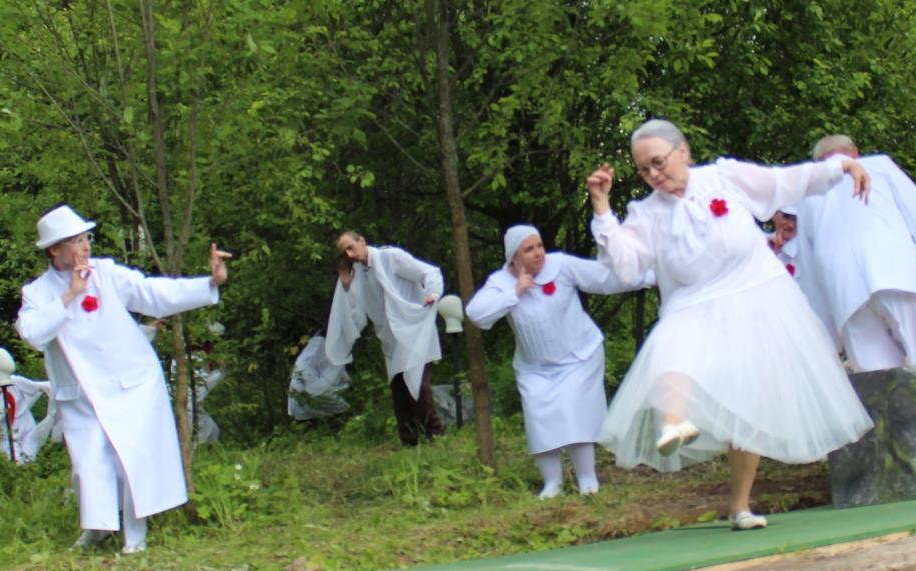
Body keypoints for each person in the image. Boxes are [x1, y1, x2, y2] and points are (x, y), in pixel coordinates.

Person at [585, 119, 874, 530]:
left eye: (658, 162)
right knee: (669, 354)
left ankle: (740, 507)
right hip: (691, 304)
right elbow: (627, 267)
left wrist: (840, 167)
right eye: (643, 169)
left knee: (747, 403)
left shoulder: (725, 177)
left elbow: (784, 181)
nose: (653, 174)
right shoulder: (645, 213)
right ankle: (674, 422)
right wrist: (601, 207)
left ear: (683, 150)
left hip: (755, 294)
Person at [16, 204, 231, 553]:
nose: (85, 246)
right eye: (75, 241)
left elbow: (152, 294)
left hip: (130, 382)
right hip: (81, 393)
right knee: (88, 463)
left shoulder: (107, 273)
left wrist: (208, 284)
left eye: (86, 238)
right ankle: (97, 527)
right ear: (55, 250)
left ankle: (135, 537)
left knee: (132, 455)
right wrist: (69, 294)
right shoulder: (38, 293)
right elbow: (33, 334)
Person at [466, 225, 650, 498]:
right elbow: (477, 314)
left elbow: (604, 279)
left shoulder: (561, 265)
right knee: (540, 417)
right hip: (535, 367)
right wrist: (514, 292)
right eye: (529, 249)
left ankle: (587, 478)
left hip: (579, 356)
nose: (539, 253)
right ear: (514, 258)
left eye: (539, 245)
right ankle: (552, 482)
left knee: (575, 412)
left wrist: (650, 275)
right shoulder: (500, 282)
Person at [791, 135, 916, 372]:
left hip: (846, 297)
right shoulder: (879, 166)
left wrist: (828, 337)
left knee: (880, 386)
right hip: (898, 277)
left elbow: (809, 270)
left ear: (819, 164)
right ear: (854, 153)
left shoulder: (807, 194)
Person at [325, 231, 445, 445]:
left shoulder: (391, 258)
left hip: (413, 330)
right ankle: (409, 441)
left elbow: (428, 272)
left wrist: (433, 294)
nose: (349, 253)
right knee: (399, 390)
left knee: (419, 384)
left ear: (361, 241)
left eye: (350, 246)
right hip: (390, 338)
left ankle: (435, 435)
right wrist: (346, 285)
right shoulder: (359, 273)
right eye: (344, 252)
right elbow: (356, 311)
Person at [0, 349, 54, 464]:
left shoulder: (14, 381)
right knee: (13, 464)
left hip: (27, 429)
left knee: (28, 462)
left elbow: (38, 387)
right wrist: (2, 395)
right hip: (6, 435)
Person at [768, 208, 800, 281]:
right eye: (786, 216)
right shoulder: (759, 243)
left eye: (796, 219)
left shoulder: (806, 254)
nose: (791, 225)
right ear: (774, 215)